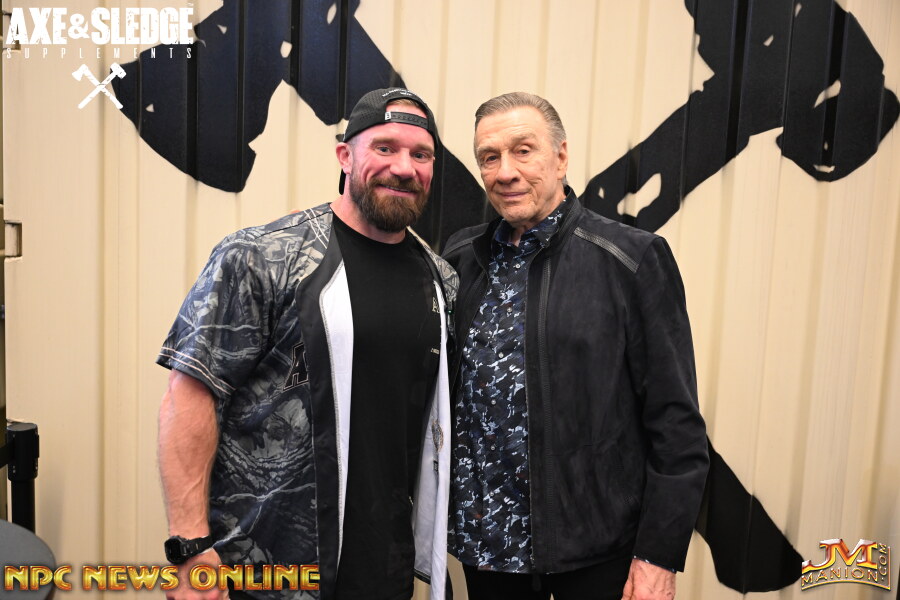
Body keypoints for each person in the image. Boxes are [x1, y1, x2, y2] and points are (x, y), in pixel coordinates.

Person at [157, 87, 457, 600]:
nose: (404, 168)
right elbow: (188, 398)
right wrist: (189, 547)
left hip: (383, 572)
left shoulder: (441, 282)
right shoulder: (263, 257)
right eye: (384, 148)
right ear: (345, 156)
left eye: (421, 154)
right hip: (261, 574)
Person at [441, 92, 709, 600]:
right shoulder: (460, 259)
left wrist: (658, 554)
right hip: (487, 553)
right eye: (489, 157)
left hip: (595, 555)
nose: (505, 172)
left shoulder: (631, 260)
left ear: (561, 156)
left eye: (523, 151)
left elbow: (676, 424)